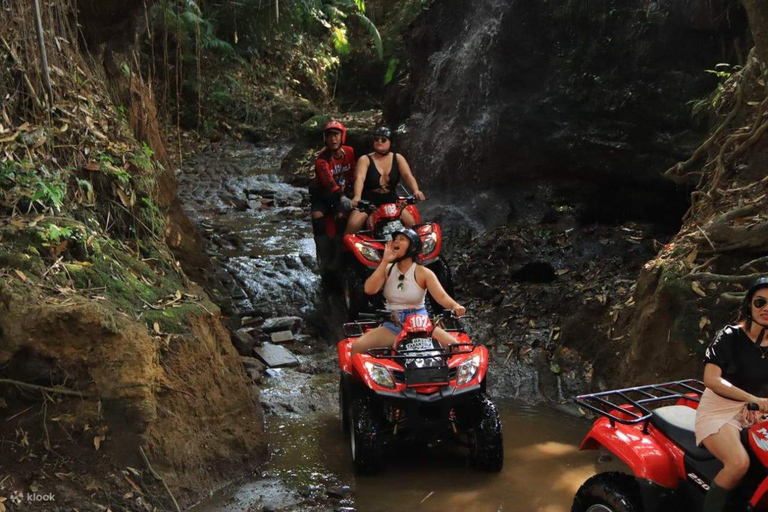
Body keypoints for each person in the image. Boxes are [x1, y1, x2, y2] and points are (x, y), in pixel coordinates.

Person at [695, 276, 768, 512]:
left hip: (759, 413)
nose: (766, 309)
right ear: (749, 305)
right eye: (760, 302)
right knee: (738, 463)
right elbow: (712, 379)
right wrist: (752, 399)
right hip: (721, 410)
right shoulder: (729, 336)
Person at [350, 228, 464, 355]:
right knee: (357, 347)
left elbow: (441, 296)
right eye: (395, 239)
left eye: (402, 239)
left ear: (413, 247)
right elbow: (369, 289)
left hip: (421, 324)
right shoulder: (387, 269)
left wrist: (455, 306)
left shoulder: (423, 272)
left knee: (455, 347)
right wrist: (385, 261)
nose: (396, 242)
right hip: (394, 324)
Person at [346, 126, 425, 235]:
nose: (379, 141)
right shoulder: (365, 159)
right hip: (369, 201)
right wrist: (357, 197)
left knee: (412, 224)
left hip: (391, 199)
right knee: (353, 225)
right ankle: (344, 251)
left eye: (383, 139)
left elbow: (408, 176)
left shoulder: (398, 158)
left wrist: (416, 190)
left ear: (390, 142)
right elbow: (360, 178)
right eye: (376, 139)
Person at [309, 120, 356, 272]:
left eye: (336, 135)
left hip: (342, 193)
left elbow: (355, 174)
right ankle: (324, 260)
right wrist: (342, 197)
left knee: (341, 217)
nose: (333, 139)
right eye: (329, 136)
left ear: (342, 136)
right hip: (323, 195)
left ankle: (338, 256)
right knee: (317, 217)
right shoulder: (321, 160)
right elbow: (328, 182)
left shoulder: (349, 152)